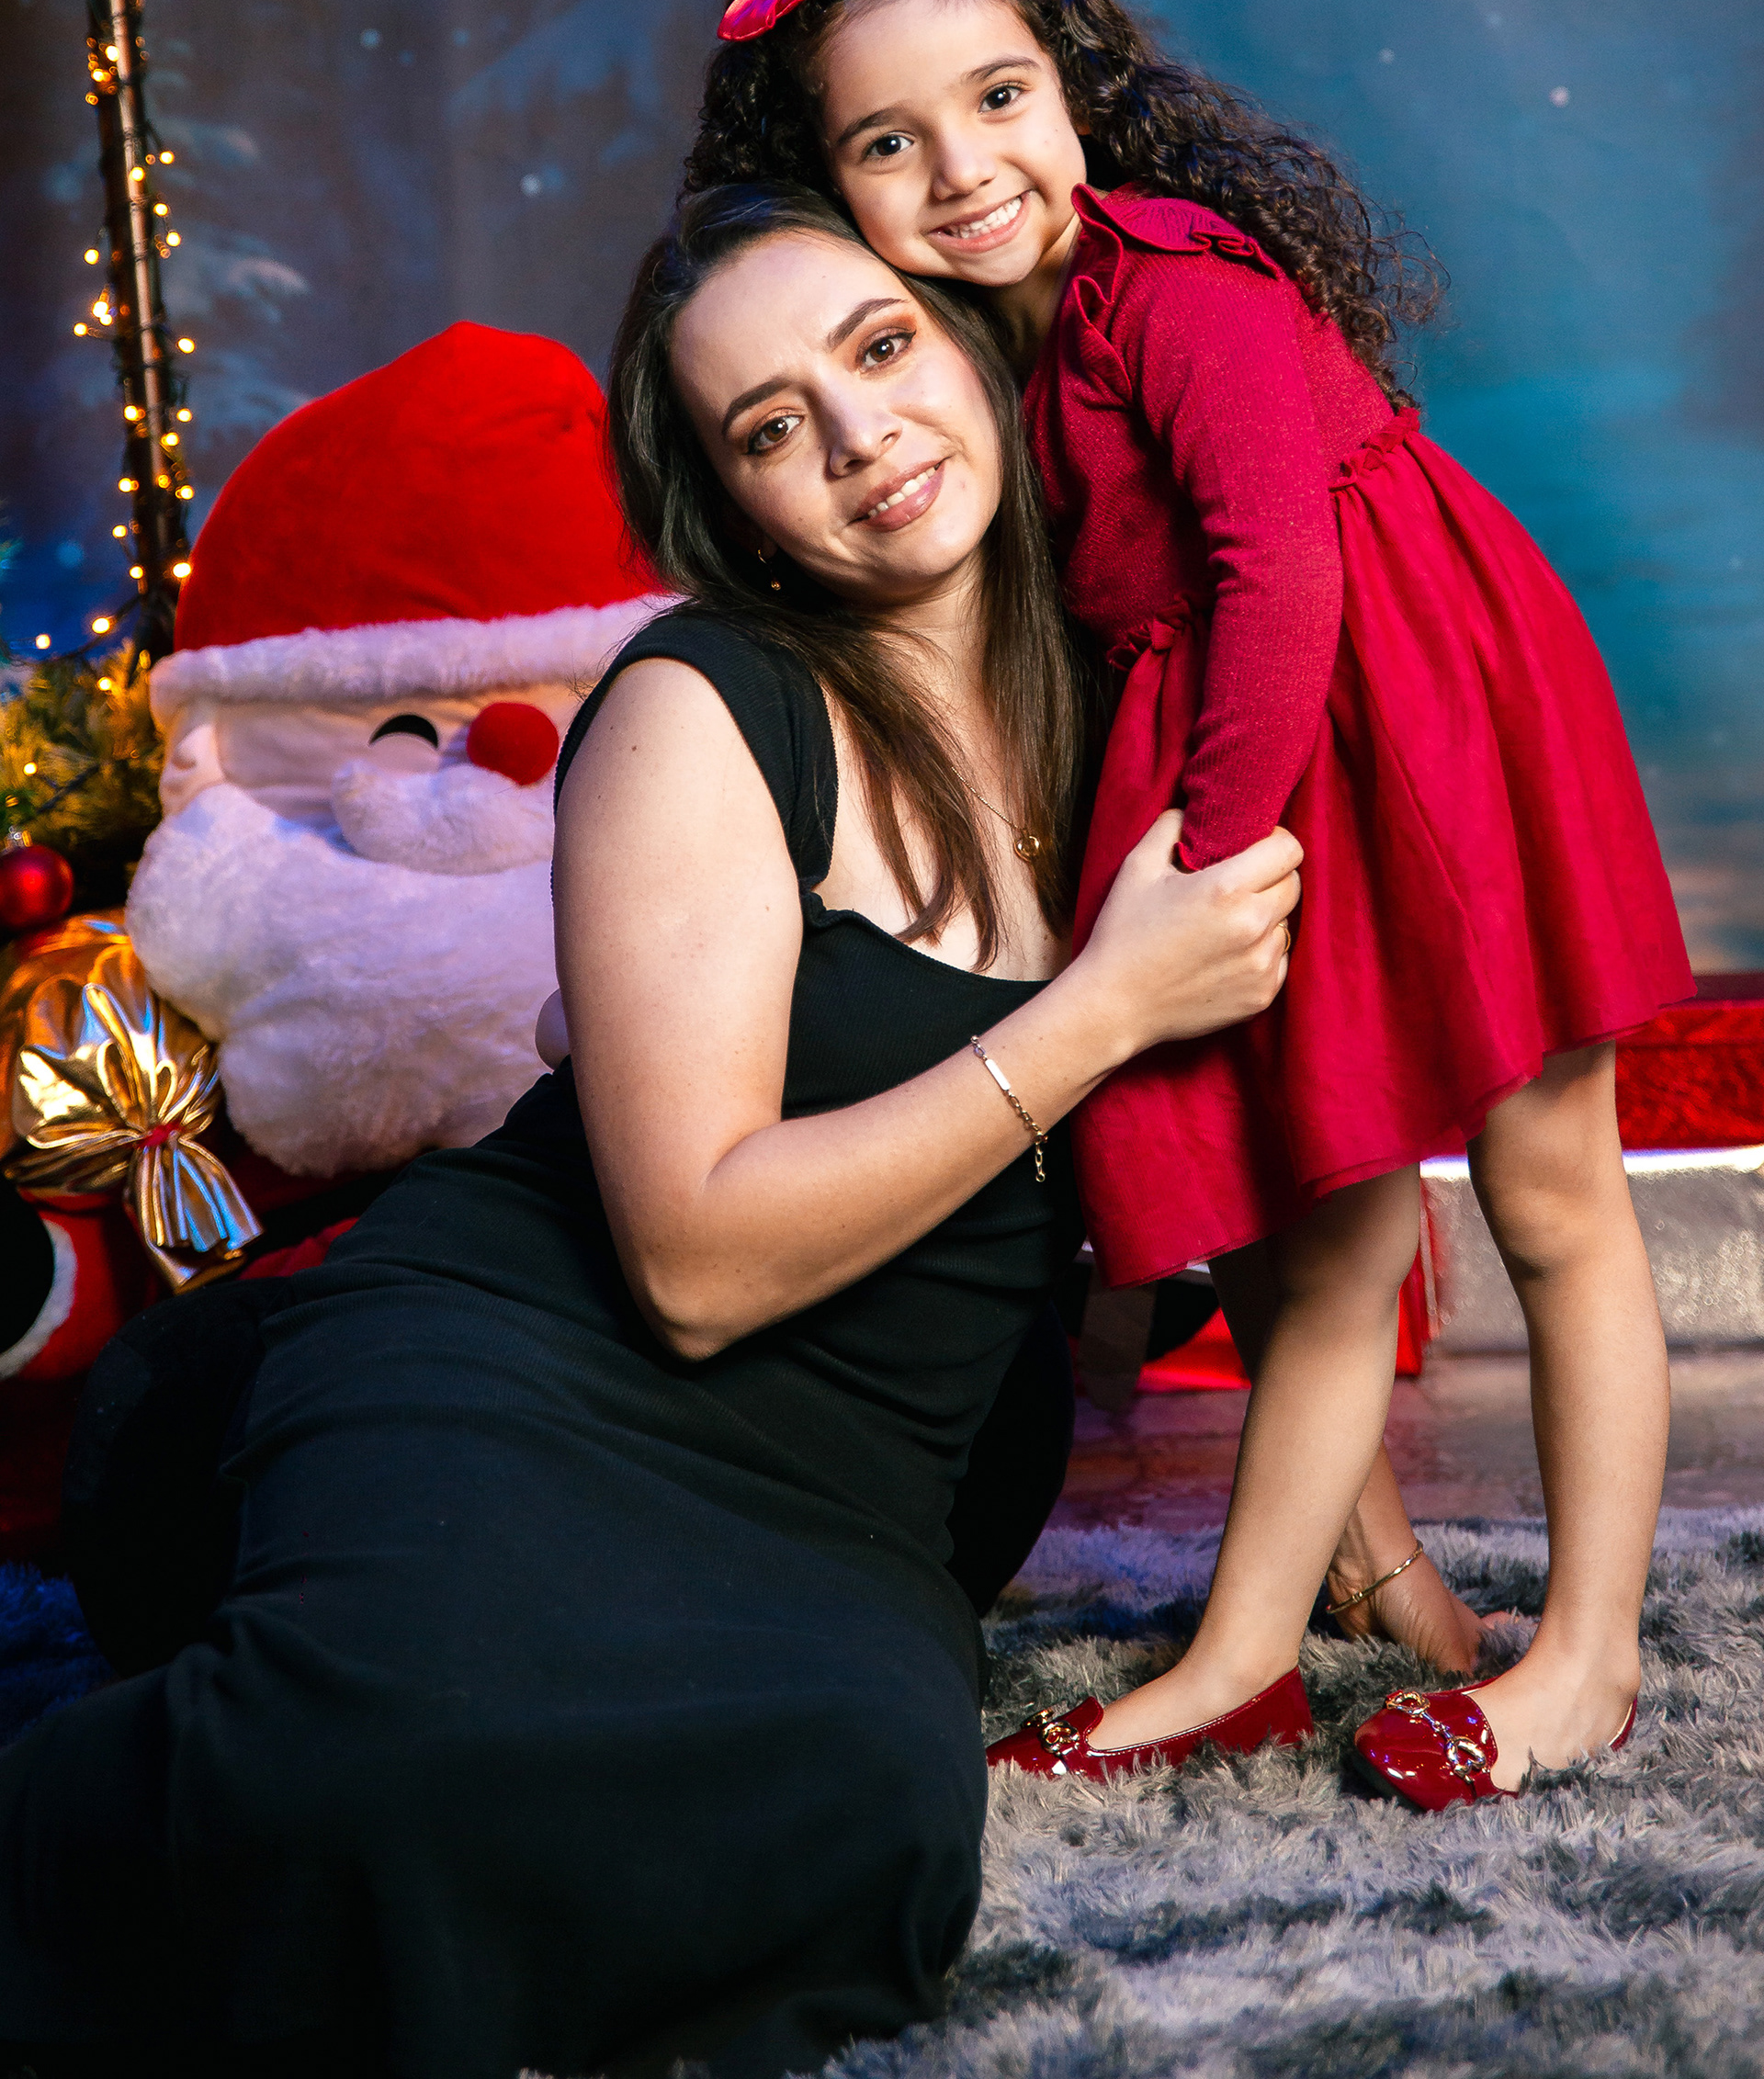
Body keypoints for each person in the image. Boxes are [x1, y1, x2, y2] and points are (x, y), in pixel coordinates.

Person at [0, 185, 1301, 2079]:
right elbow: (691, 1264)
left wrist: (1347, 1550)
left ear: (971, 345)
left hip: (857, 1477)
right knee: (371, 1784)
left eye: (881, 347)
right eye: (771, 426)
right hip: (534, 1361)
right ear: (732, 503)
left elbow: (1254, 1176)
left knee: (864, 1834)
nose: (860, 437)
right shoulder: (699, 704)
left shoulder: (1140, 698)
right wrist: (1102, 1007)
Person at [680, 0, 1693, 1804]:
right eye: (889, 143)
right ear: (829, 186)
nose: (964, 170)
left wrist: (1207, 873)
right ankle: (1274, 1640)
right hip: (1268, 749)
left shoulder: (1177, 283)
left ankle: (1589, 1657)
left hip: (1416, 723)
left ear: (1074, 85)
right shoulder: (974, 361)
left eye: (999, 98)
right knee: (1318, 1233)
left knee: (1554, 1186)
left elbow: (1282, 573)